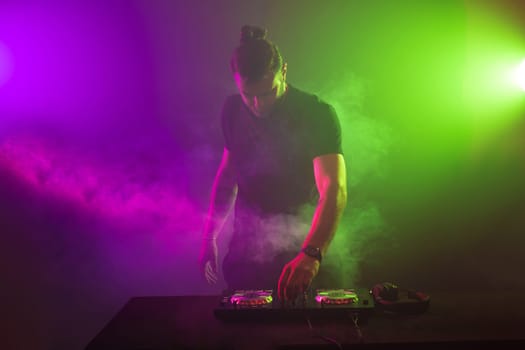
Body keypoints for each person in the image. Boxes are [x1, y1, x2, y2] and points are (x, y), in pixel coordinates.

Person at [199, 25, 347, 301]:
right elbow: (227, 177)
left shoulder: (316, 114)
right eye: (248, 95)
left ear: (285, 72)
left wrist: (311, 253)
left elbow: (334, 190)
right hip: (246, 253)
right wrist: (210, 237)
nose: (258, 104)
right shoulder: (231, 110)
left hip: (304, 246)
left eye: (268, 93)